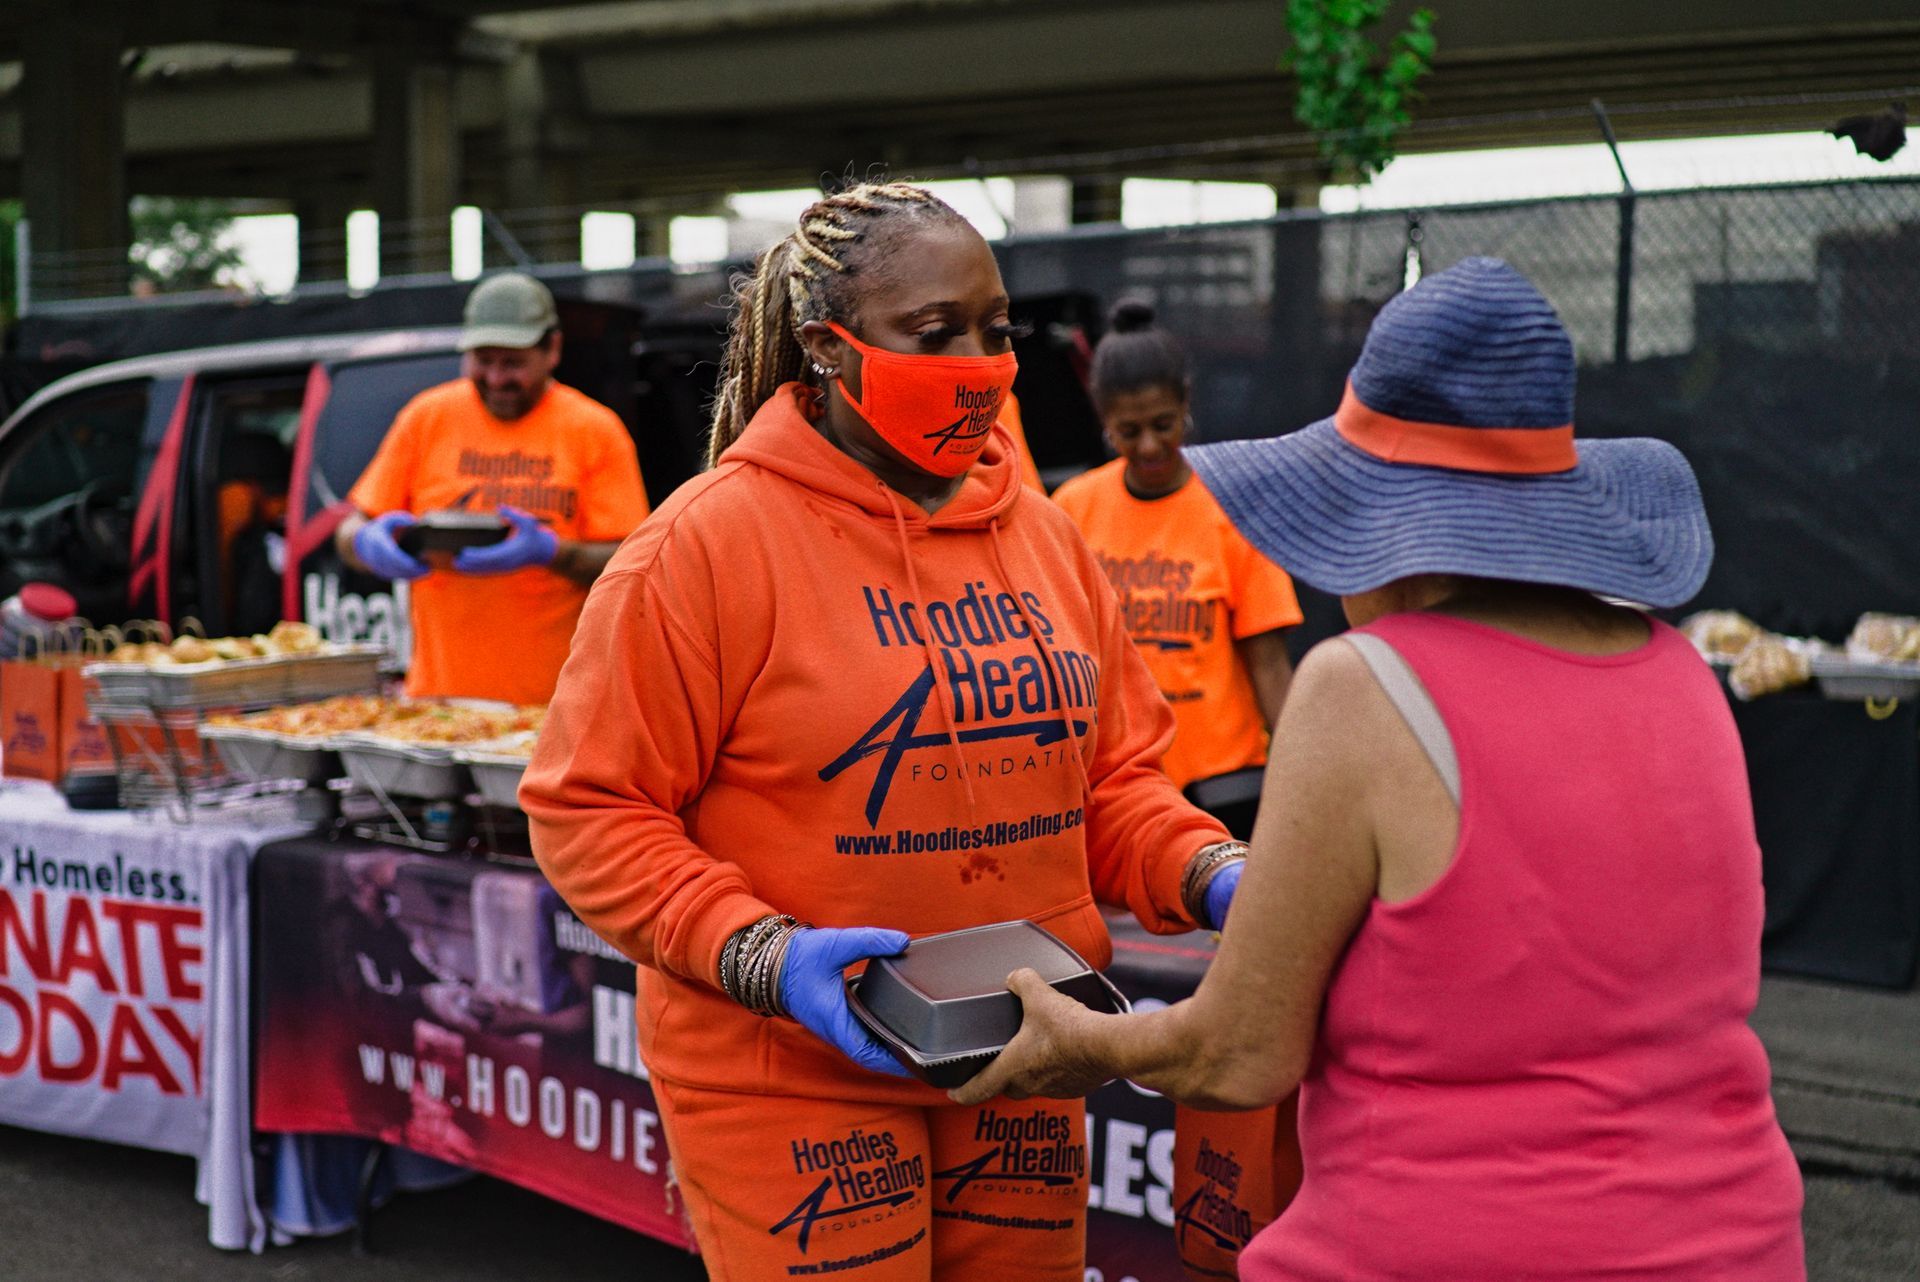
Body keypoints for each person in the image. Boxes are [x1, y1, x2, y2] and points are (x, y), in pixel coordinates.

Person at [956, 259, 1807, 1280]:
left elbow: (1239, 1054)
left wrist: (1077, 1042)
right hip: (1739, 1242)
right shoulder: (1683, 677)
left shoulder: (1363, 686)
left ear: (1391, 535)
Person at [519, 181, 1246, 1281]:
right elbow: (587, 812)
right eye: (935, 333)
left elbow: (1110, 786)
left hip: (1025, 1043)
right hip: (792, 1068)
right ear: (828, 348)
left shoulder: (1046, 536)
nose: (977, 361)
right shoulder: (707, 548)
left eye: (995, 331)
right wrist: (766, 956)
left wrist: (1219, 871)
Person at [334, 272, 649, 707]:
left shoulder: (595, 431)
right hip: (438, 704)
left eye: (513, 363)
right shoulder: (427, 417)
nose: (497, 379)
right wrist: (366, 543)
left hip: (556, 708)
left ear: (552, 350)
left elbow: (632, 563)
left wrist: (553, 553)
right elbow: (350, 530)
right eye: (483, 360)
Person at [1053, 300, 1301, 798]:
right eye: (1128, 431)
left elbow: (1270, 665)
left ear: (1186, 404)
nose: (1148, 446)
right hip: (1117, 786)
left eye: (1163, 425)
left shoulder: (1233, 504)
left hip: (1222, 789)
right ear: (1103, 417)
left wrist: (1303, 776)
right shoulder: (1073, 508)